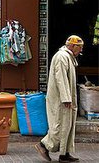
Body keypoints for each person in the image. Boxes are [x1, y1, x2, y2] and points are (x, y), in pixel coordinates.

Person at [35, 35, 83, 163]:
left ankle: (64, 154)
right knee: (59, 126)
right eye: (80, 47)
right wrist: (66, 98)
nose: (81, 50)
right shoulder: (62, 57)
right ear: (72, 46)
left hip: (67, 98)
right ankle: (43, 145)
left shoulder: (69, 57)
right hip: (61, 99)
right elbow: (60, 78)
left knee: (68, 125)